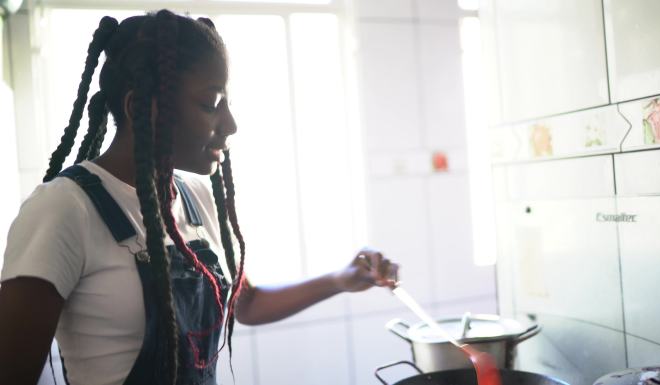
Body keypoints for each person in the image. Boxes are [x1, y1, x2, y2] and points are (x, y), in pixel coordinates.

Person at [0, 10, 399, 385]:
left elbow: (249, 304)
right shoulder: (64, 210)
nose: (230, 123)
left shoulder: (194, 197)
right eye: (210, 104)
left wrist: (342, 280)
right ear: (142, 109)